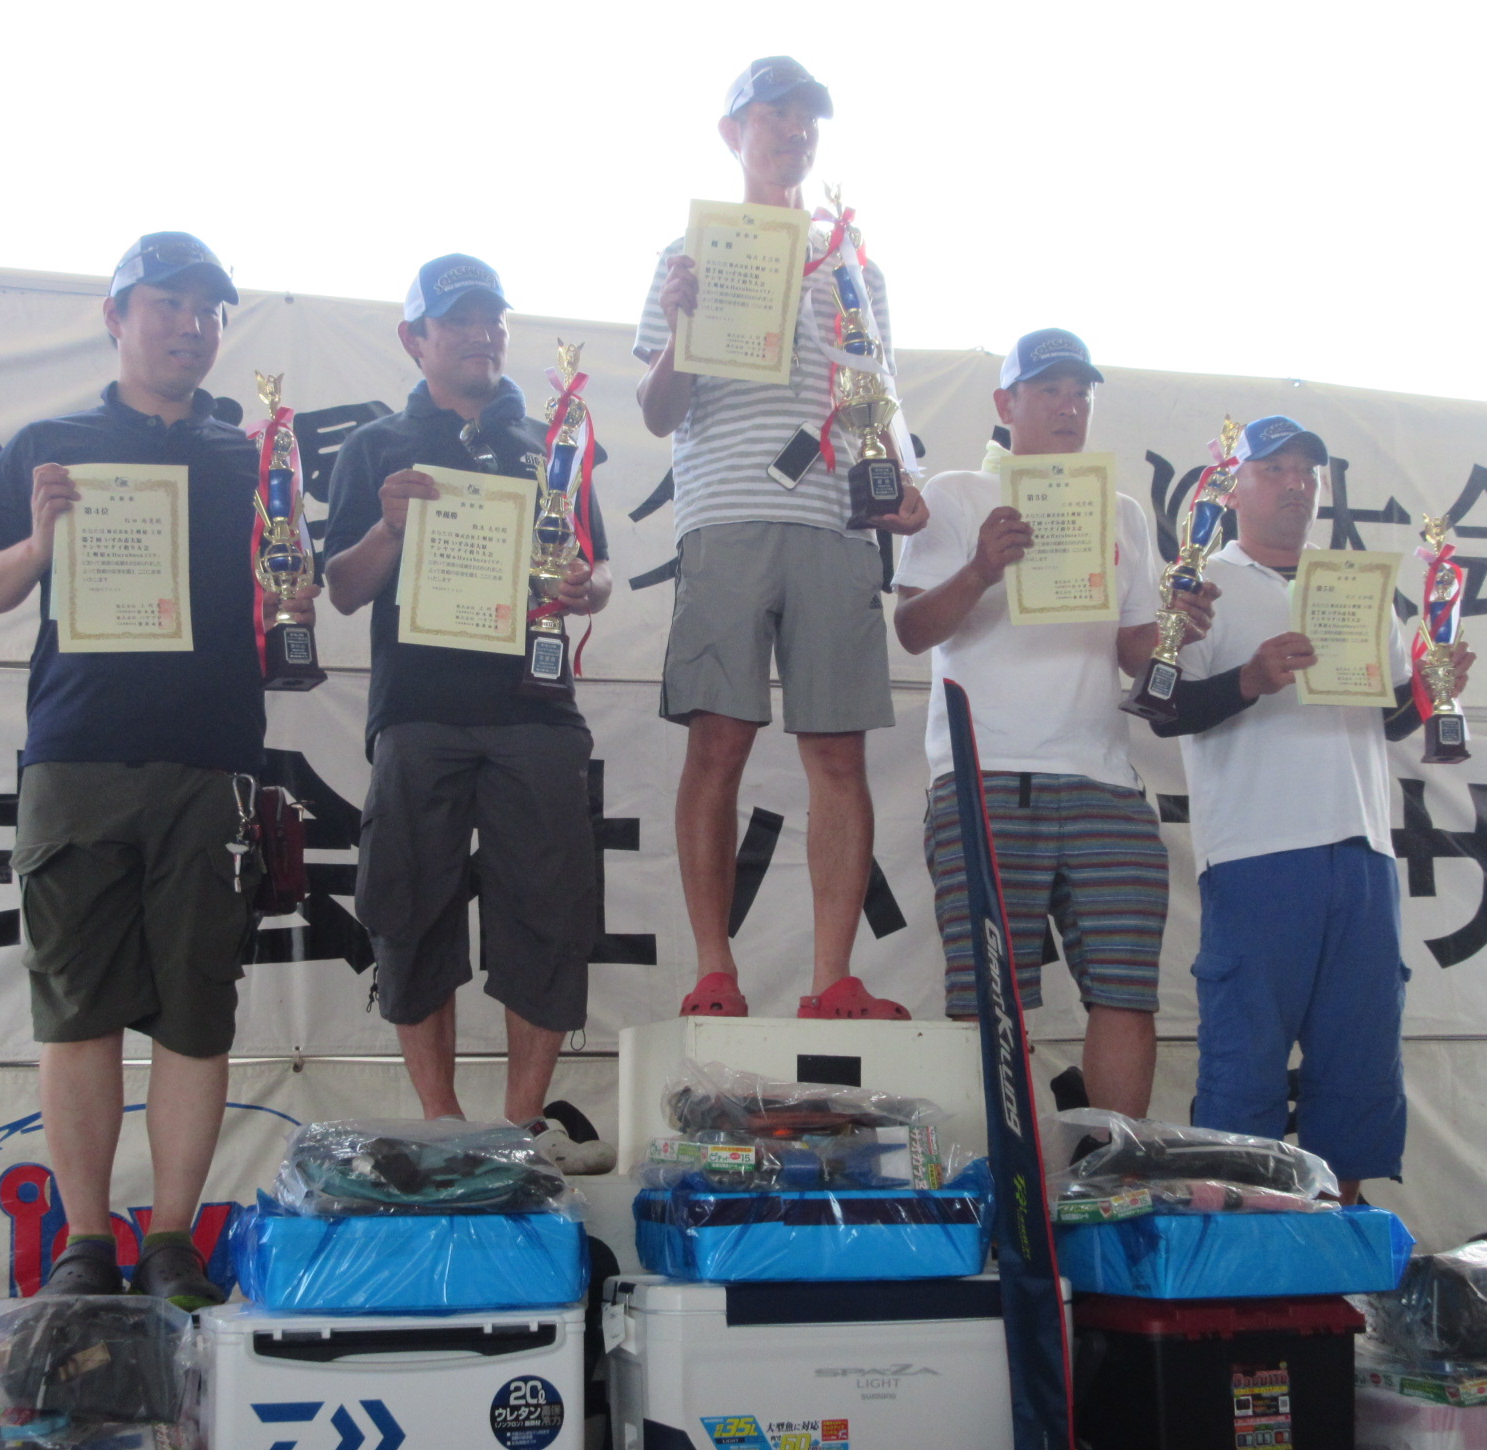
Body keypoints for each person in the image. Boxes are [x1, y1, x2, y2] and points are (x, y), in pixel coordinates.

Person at [0, 232, 299, 1306]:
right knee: (77, 1009)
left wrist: (294, 580)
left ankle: (174, 1240)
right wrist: (35, 547)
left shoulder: (254, 457)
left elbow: (292, 592)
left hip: (213, 759)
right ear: (116, 316)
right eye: (168, 304)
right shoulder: (50, 447)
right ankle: (86, 1243)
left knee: (198, 1009)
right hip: (78, 757)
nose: (192, 326)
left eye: (209, 310)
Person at [635, 57, 929, 1022]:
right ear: (734, 132)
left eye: (808, 118)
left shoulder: (857, 266)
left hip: (834, 521)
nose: (794, 131)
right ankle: (713, 970)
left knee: (838, 753)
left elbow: (878, 399)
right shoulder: (690, 253)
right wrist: (680, 325)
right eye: (774, 115)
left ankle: (831, 977)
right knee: (718, 741)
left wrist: (904, 483)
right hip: (723, 514)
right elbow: (656, 411)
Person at [324, 254, 617, 1175]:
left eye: (492, 317)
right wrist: (388, 527)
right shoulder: (375, 446)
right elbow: (340, 588)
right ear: (415, 338)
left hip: (537, 711)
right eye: (457, 319)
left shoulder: (550, 441)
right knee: (408, 908)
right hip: (419, 711)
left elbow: (599, 569)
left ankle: (520, 1127)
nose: (481, 333)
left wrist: (586, 585)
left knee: (550, 914)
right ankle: (443, 1123)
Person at [1151, 414, 1474, 1202]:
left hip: (1363, 850)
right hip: (1255, 853)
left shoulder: (1356, 588)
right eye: (1276, 470)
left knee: (1361, 1059)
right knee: (1244, 1059)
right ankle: (1244, 1234)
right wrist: (1250, 680)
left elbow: (1384, 718)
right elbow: (1163, 710)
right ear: (1233, 488)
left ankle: (1340, 1222)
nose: (1296, 485)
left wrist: (1431, 690)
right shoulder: (1201, 585)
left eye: (1308, 472)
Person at [894, 329, 1211, 1117]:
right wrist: (981, 568)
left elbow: (1133, 651)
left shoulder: (1122, 511)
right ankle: (999, 1164)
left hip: (1104, 776)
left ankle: (1113, 1164)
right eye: (1049, 391)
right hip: (986, 772)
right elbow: (912, 631)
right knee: (986, 992)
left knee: (1127, 988)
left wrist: (1175, 630)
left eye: (1081, 393)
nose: (1070, 407)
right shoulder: (956, 494)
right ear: (1006, 403)